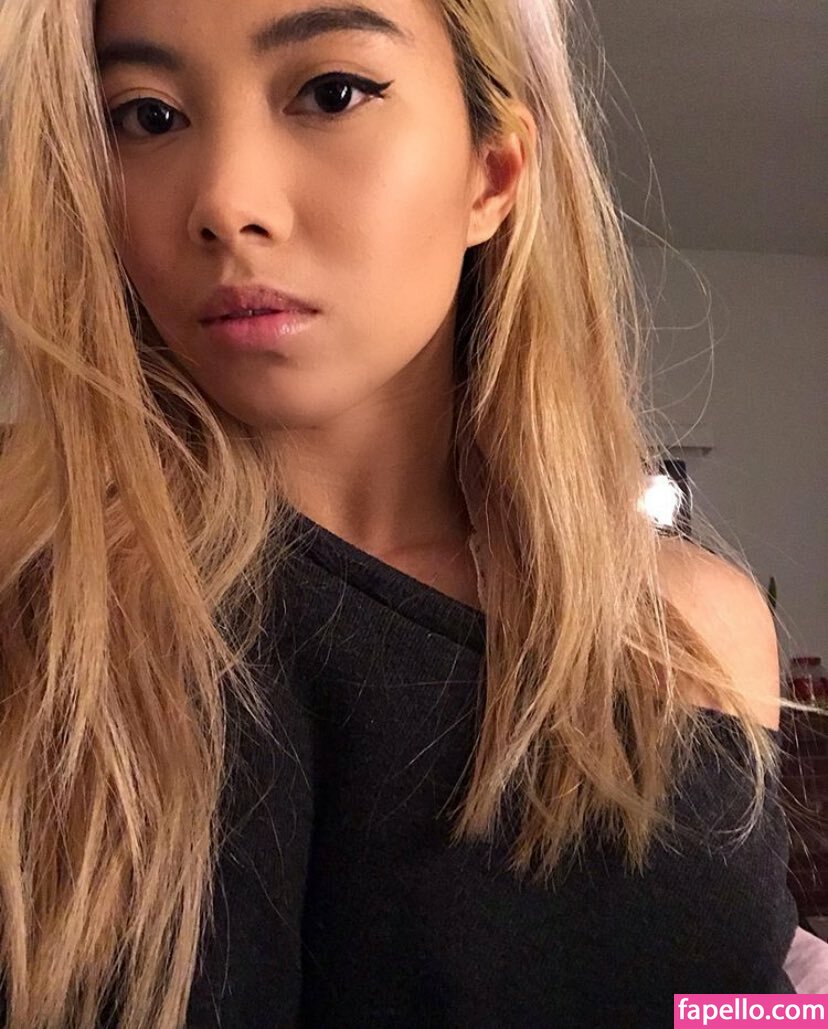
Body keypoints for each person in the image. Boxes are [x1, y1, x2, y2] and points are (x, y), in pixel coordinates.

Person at [0, 1, 819, 1026]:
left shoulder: (686, 631)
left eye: (332, 92)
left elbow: (737, 1003)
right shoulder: (37, 607)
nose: (226, 203)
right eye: (147, 117)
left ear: (493, 173)